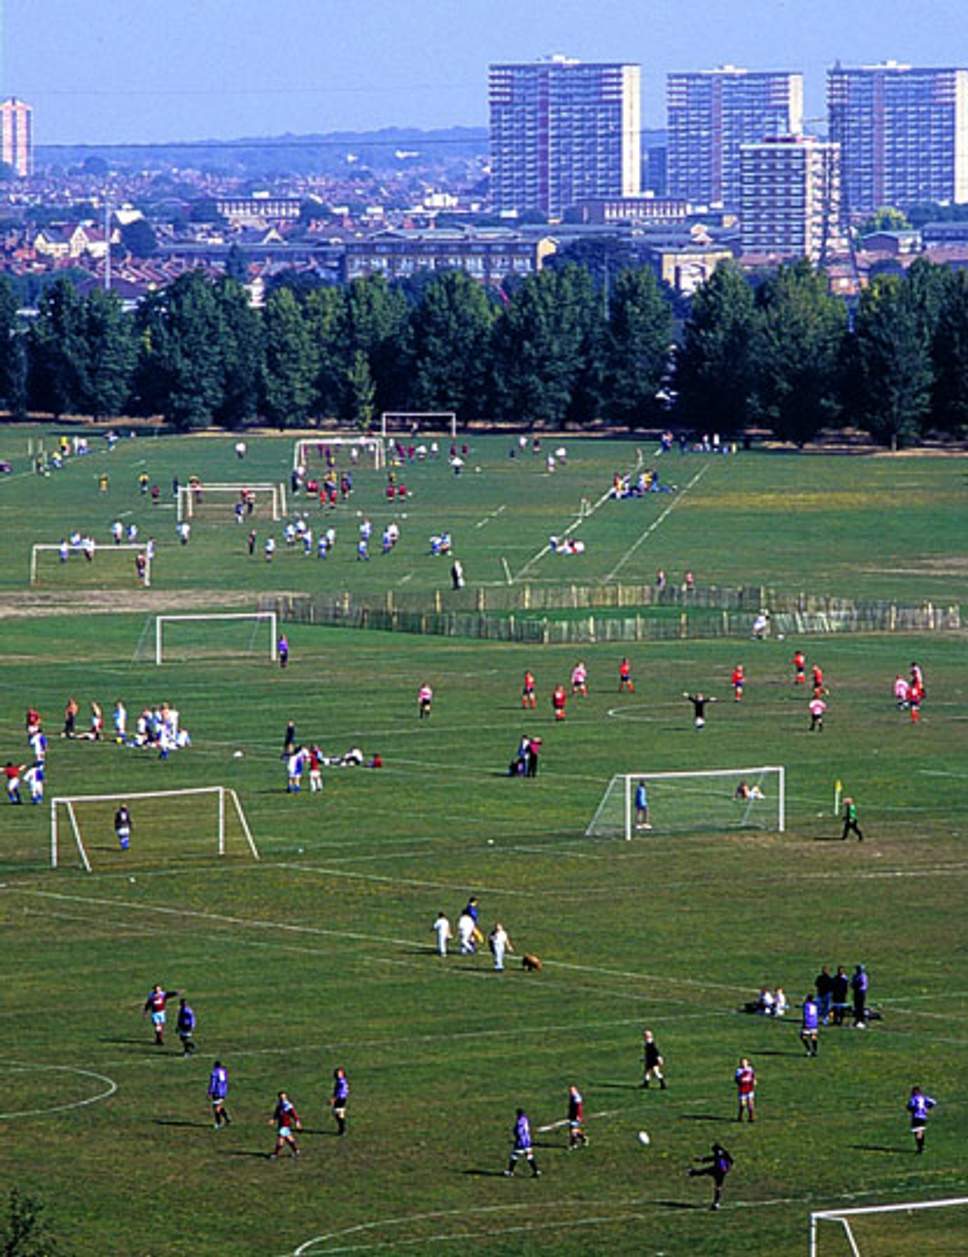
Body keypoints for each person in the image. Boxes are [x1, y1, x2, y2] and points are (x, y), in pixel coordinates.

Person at [688, 1143, 733, 1211]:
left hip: (717, 1169)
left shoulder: (718, 1154)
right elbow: (731, 1161)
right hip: (722, 1172)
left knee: (705, 1171)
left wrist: (701, 1159)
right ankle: (716, 1203)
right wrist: (727, 1168)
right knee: (718, 1187)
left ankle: (693, 1172)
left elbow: (711, 1158)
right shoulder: (725, 1153)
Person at [503, 1108, 540, 1177]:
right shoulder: (525, 1120)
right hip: (528, 1141)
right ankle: (536, 1171)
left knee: (514, 1156)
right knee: (529, 1156)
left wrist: (516, 1135)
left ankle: (510, 1172)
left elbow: (519, 1132)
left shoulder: (520, 1122)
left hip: (521, 1142)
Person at [269, 1091, 301, 1159]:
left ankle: (275, 1154)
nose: (282, 1099)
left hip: (285, 1126)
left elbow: (294, 1115)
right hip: (281, 1125)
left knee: (280, 1141)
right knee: (289, 1139)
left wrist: (297, 1122)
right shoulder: (279, 1105)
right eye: (281, 1098)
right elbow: (276, 1113)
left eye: (284, 1098)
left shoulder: (288, 1106)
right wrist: (273, 1119)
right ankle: (296, 1151)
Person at [906, 1086, 936, 1155]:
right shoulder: (924, 1098)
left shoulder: (913, 1099)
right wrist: (927, 1107)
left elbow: (910, 1106)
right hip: (923, 1117)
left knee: (917, 1132)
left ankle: (920, 1147)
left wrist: (912, 1110)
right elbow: (933, 1102)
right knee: (920, 1131)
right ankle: (921, 1146)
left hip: (916, 1117)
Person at [208, 1060, 231, 1128]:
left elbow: (213, 1083)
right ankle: (227, 1119)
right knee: (218, 1106)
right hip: (223, 1092)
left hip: (217, 1092)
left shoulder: (214, 1073)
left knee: (216, 1107)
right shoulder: (224, 1071)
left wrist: (210, 1091)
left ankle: (218, 1123)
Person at [735, 1058, 756, 1122]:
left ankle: (751, 1117)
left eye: (745, 1062)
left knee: (750, 1103)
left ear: (747, 1063)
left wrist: (754, 1080)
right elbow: (736, 1079)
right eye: (742, 1062)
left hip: (749, 1088)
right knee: (742, 1104)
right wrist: (740, 1081)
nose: (743, 1063)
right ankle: (740, 1116)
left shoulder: (750, 1069)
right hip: (742, 1089)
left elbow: (753, 1076)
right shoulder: (739, 1070)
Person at [567, 1085, 588, 1149]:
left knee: (573, 1131)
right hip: (572, 1116)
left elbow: (579, 1108)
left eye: (571, 1091)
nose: (570, 1092)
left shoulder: (577, 1098)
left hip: (576, 1116)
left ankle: (573, 1144)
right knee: (574, 1130)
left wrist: (578, 1116)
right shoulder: (572, 1096)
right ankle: (583, 1138)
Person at [330, 1067, 349, 1136]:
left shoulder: (341, 1082)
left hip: (340, 1099)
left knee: (338, 1113)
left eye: (339, 1073)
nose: (338, 1075)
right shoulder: (341, 1081)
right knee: (338, 1113)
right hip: (341, 1098)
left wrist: (334, 1099)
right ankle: (341, 1129)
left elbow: (339, 1092)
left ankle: (342, 1129)